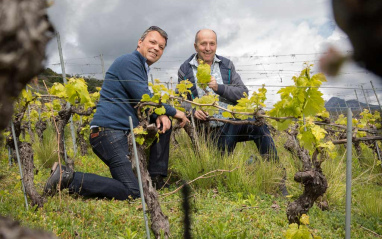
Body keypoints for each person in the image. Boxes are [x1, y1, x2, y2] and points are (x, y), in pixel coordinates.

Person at [44, 26, 189, 200]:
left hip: (113, 133)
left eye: (161, 47)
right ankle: (66, 178)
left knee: (162, 127)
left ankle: (156, 178)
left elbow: (141, 102)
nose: (156, 48)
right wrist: (175, 112)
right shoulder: (129, 61)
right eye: (153, 42)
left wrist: (160, 114)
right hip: (108, 134)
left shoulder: (140, 67)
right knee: (133, 191)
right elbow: (144, 98)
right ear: (140, 42)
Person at [177, 29, 278, 160]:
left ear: (216, 45)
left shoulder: (227, 65)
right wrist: (193, 110)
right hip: (209, 131)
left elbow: (243, 93)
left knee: (258, 124)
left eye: (212, 44)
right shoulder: (184, 70)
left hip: (232, 123)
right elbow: (180, 100)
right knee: (220, 162)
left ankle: (274, 169)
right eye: (203, 44)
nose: (208, 48)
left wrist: (219, 88)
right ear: (195, 46)